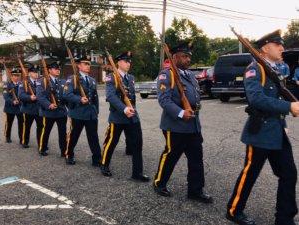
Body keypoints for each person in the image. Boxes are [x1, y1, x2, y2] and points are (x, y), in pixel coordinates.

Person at [226, 30, 299, 225]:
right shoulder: (255, 69)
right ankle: (233, 210)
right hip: (259, 132)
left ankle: (284, 218)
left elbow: (275, 97)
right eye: (278, 45)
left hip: (276, 131)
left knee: (289, 173)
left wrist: (282, 122)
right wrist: (289, 106)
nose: (282, 48)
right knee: (250, 174)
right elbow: (256, 99)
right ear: (265, 48)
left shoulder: (276, 70)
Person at [152, 41, 213, 203]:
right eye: (184, 56)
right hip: (175, 125)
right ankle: (159, 183)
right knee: (171, 156)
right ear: (175, 57)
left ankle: (195, 190)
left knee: (196, 159)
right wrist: (180, 112)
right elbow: (164, 100)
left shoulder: (190, 75)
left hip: (193, 124)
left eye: (189, 57)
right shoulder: (167, 75)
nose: (188, 60)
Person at [101, 51, 149, 182]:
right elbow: (110, 96)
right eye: (126, 61)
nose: (128, 64)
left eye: (129, 62)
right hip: (118, 116)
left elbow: (131, 97)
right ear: (118, 62)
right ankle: (104, 165)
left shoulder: (130, 78)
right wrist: (124, 108)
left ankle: (137, 173)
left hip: (133, 116)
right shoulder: (112, 77)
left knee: (137, 144)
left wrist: (130, 109)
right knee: (111, 143)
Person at [63, 55, 102, 166]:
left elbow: (95, 98)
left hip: (91, 113)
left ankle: (97, 158)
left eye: (89, 64)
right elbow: (66, 94)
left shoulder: (92, 80)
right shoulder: (73, 78)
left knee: (93, 137)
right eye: (85, 64)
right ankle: (69, 155)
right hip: (77, 113)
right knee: (74, 136)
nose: (88, 66)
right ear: (79, 66)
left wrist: (96, 111)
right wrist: (79, 99)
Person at [36, 61, 67, 156]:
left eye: (58, 69)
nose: (58, 70)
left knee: (62, 133)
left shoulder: (63, 81)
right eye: (55, 69)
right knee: (45, 131)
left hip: (61, 111)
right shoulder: (42, 81)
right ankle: (42, 148)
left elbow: (66, 96)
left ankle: (63, 151)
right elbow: (40, 96)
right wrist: (49, 105)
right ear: (49, 70)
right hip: (48, 112)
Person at [18, 64, 42, 149]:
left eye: (37, 72)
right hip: (28, 109)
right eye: (34, 72)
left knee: (40, 127)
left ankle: (41, 143)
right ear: (29, 73)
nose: (36, 74)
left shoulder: (41, 82)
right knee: (26, 127)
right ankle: (25, 141)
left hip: (39, 109)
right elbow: (20, 95)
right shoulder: (23, 83)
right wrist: (29, 97)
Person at [2, 68, 23, 144]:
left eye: (18, 76)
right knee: (9, 123)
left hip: (19, 108)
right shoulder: (7, 85)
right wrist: (12, 101)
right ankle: (7, 136)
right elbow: (5, 96)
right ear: (11, 76)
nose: (17, 77)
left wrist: (20, 101)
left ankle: (22, 138)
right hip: (9, 108)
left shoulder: (21, 84)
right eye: (15, 75)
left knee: (21, 123)